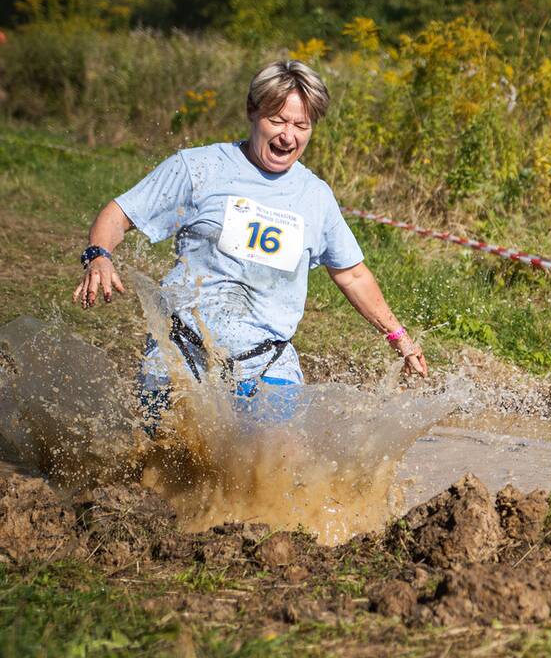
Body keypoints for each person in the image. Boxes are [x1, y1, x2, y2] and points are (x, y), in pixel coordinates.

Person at [73, 60, 426, 426]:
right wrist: (99, 256)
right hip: (181, 356)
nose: (288, 136)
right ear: (252, 112)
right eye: (277, 120)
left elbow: (352, 275)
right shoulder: (200, 168)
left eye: (300, 125)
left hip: (267, 365)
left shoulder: (315, 197)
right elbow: (119, 213)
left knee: (270, 471)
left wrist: (400, 339)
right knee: (155, 469)